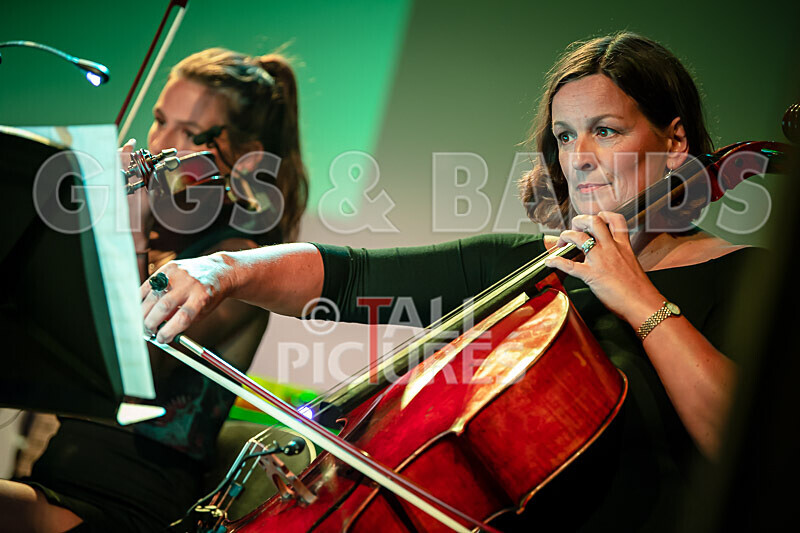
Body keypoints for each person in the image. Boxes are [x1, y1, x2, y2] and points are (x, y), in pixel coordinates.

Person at [140, 33, 764, 531]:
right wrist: (222, 270)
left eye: (606, 130)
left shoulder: (749, 280)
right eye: (565, 136)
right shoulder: (531, 267)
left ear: (674, 140)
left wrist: (638, 297)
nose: (579, 158)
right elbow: (348, 276)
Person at [0, 47, 308, 532]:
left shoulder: (233, 266)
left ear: (243, 160)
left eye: (187, 133)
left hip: (126, 502)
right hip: (56, 475)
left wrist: (132, 231)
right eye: (160, 121)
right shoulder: (161, 239)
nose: (158, 144)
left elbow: (135, 367)